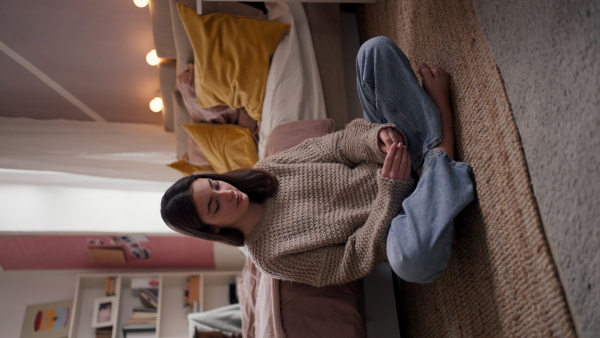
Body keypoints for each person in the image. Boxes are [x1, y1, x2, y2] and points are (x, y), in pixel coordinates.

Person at [161, 36, 474, 287]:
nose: (226, 193)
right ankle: (442, 129)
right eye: (215, 206)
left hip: (395, 157)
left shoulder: (267, 171)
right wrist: (390, 193)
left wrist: (375, 140)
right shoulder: (272, 259)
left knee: (372, 53)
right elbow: (353, 259)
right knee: (411, 262)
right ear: (214, 231)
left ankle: (436, 183)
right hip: (399, 217)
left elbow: (337, 145)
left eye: (216, 184)